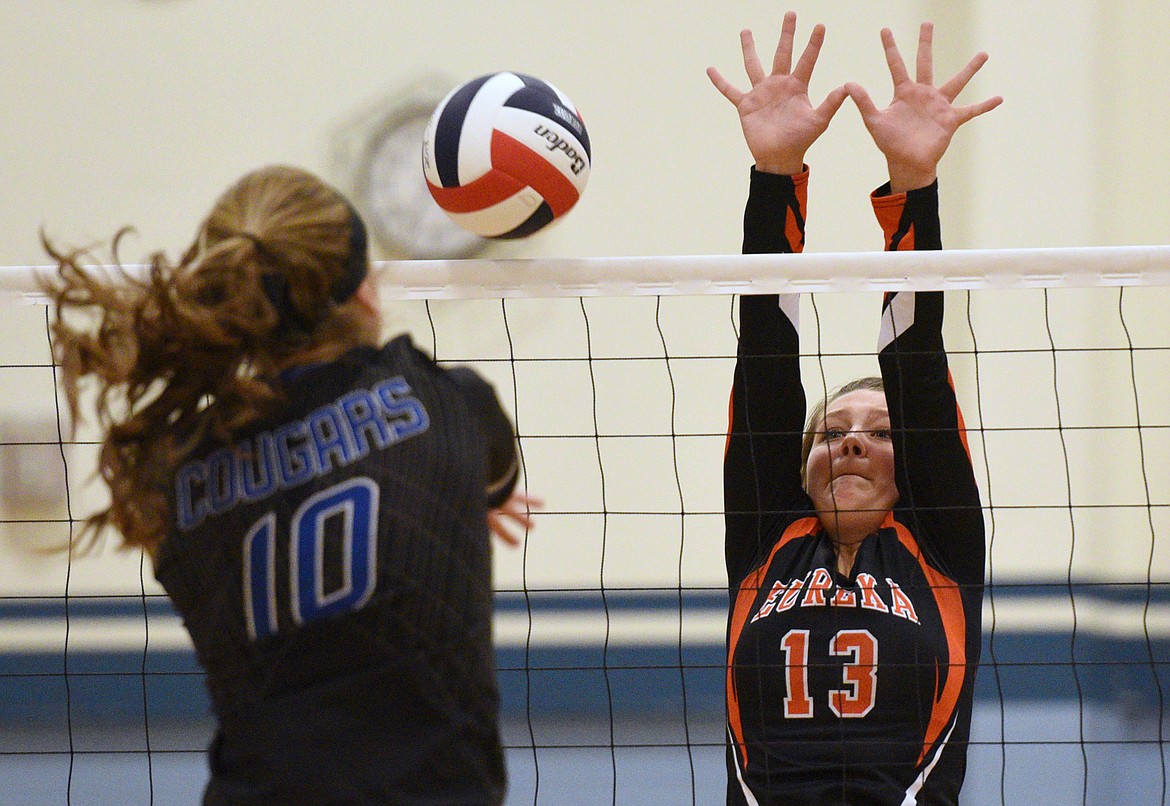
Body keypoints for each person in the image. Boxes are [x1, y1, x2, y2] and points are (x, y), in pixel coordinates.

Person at [42, 164, 540, 805]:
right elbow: (497, 471)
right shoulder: (450, 407)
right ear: (365, 289)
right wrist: (482, 493)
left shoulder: (168, 476)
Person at [709, 12, 1000, 805]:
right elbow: (765, 358)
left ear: (916, 470)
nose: (851, 444)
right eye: (831, 434)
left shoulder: (938, 546)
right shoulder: (770, 540)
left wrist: (913, 187)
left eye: (878, 432)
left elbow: (914, 358)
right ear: (799, 468)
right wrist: (775, 175)